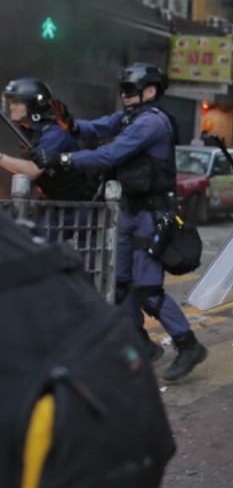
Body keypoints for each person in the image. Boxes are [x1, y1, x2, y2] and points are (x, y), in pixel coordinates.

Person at [33, 63, 209, 381]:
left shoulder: (152, 123)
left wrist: (63, 159)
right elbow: (95, 128)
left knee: (149, 289)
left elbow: (111, 154)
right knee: (119, 287)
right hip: (129, 213)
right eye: (123, 90)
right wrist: (68, 124)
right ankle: (142, 345)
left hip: (150, 217)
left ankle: (188, 345)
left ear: (150, 91)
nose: (124, 96)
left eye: (129, 90)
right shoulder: (130, 117)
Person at [1, 77, 94, 201]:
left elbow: (32, 170)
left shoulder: (55, 133)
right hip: (54, 204)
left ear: (35, 104)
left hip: (75, 209)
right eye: (10, 102)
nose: (11, 107)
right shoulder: (31, 132)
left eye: (17, 103)